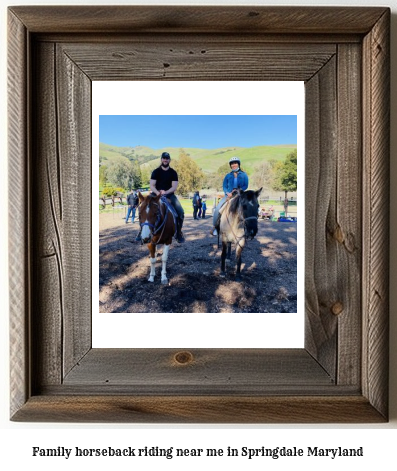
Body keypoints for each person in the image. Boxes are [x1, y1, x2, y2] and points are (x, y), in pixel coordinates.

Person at [135, 152, 185, 243]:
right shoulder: (156, 171)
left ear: (169, 160)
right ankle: (140, 231)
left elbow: (174, 187)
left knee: (180, 212)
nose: (165, 160)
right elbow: (152, 185)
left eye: (167, 158)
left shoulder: (173, 173)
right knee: (143, 209)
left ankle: (178, 233)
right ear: (161, 159)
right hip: (155, 195)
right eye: (164, 158)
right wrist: (158, 193)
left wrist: (166, 192)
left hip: (170, 195)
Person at [212, 156, 249, 236]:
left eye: (235, 163)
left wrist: (238, 190)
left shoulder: (244, 175)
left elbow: (246, 185)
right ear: (230, 165)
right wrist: (227, 192)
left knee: (249, 208)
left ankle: (248, 228)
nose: (234, 165)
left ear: (238, 164)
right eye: (232, 164)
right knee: (218, 208)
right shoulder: (228, 176)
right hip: (229, 195)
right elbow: (224, 186)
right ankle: (216, 227)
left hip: (240, 195)